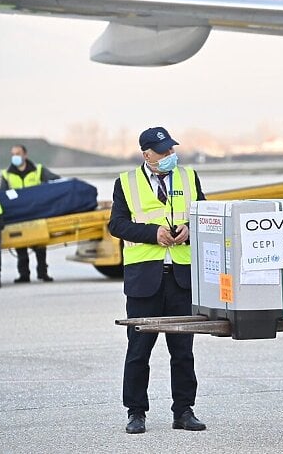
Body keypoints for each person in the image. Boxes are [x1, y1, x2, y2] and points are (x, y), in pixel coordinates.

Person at [108, 127, 207, 434]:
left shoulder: (188, 177)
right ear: (146, 154)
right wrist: (153, 234)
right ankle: (136, 412)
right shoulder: (126, 183)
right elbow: (117, 225)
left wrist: (191, 228)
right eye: (163, 152)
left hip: (181, 277)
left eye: (171, 151)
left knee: (182, 351)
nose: (169, 157)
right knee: (139, 351)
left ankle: (184, 411)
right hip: (145, 279)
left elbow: (206, 214)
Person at [0, 144, 60, 283]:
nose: (15, 157)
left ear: (25, 155)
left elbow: (55, 180)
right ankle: (24, 275)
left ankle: (42, 273)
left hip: (36, 212)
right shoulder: (7, 174)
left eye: (18, 153)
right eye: (13, 154)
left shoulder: (38, 170)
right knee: (20, 245)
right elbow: (3, 194)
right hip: (19, 214)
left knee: (40, 244)